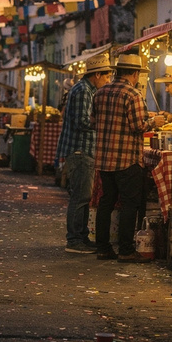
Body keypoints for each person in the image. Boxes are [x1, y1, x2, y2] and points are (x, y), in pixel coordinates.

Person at [92, 54, 158, 263]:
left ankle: (103, 248)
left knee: (106, 202)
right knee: (130, 203)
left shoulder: (100, 93)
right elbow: (138, 126)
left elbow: (93, 121)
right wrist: (155, 121)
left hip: (104, 158)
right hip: (127, 159)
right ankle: (126, 250)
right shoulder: (133, 94)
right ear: (135, 73)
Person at [56, 54, 113, 255]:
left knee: (84, 196)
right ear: (97, 74)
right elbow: (83, 121)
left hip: (86, 150)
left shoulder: (88, 90)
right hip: (80, 150)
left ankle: (82, 236)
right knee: (80, 196)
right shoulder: (82, 91)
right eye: (106, 77)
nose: (108, 81)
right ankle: (74, 239)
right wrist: (106, 122)